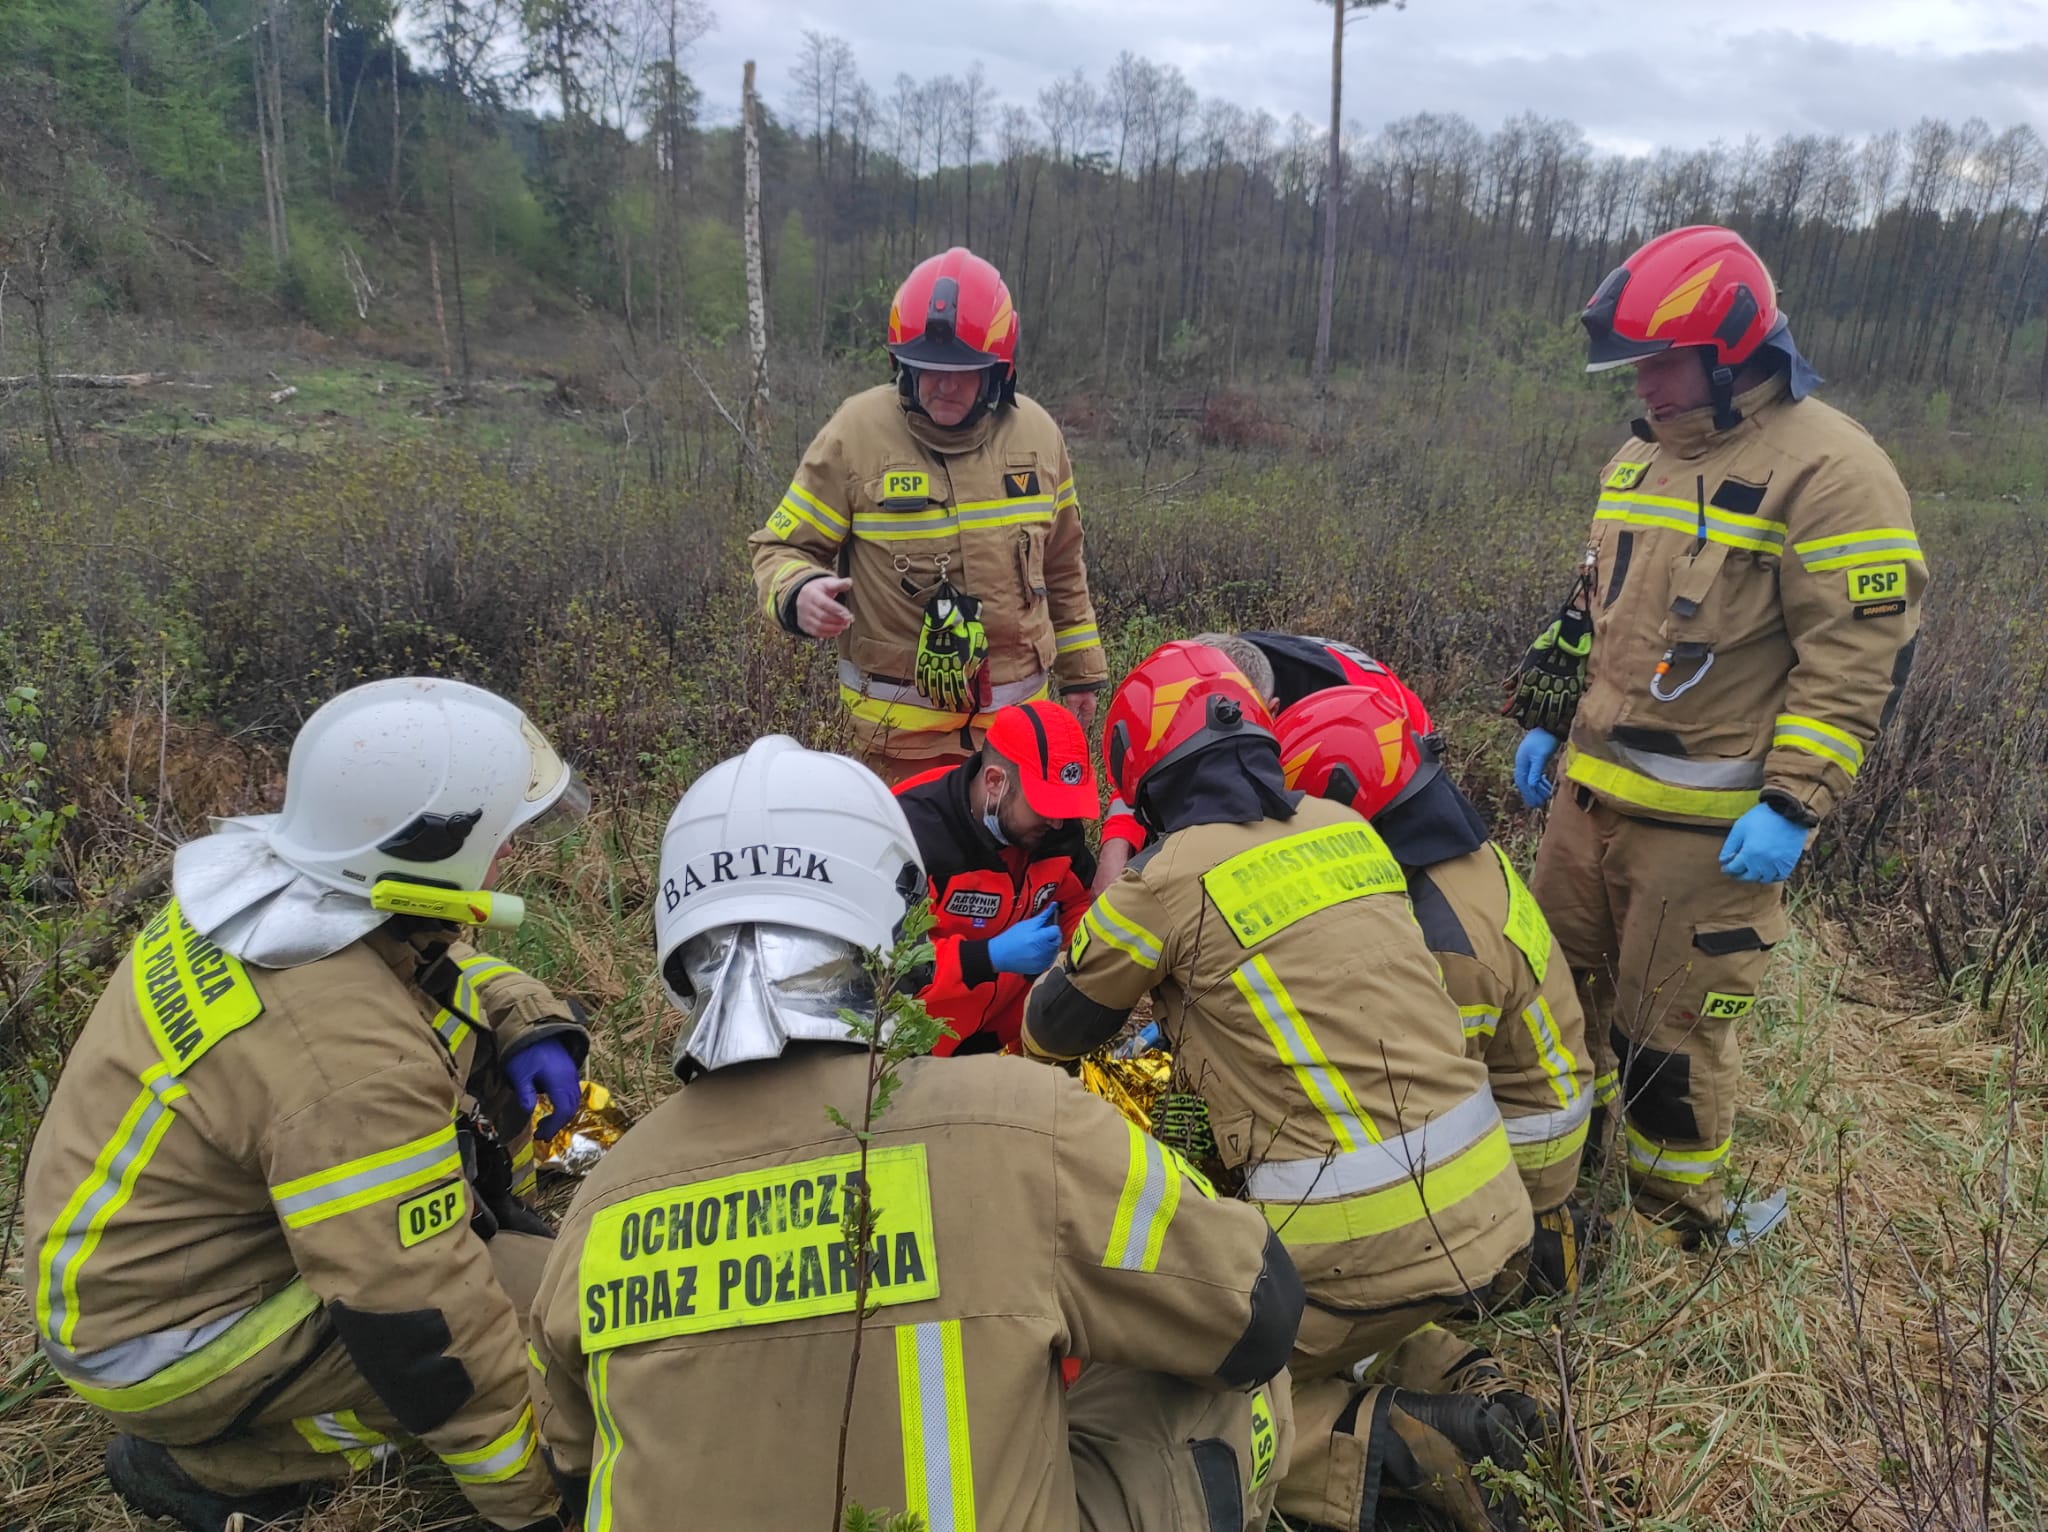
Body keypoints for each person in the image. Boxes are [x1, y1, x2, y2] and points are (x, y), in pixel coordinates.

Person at [528, 736, 1300, 1531]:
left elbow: (575, 1470)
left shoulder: (597, 1205)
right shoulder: (1019, 1120)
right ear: (897, 918)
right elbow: (1259, 1314)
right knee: (1225, 1381)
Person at [24, 677, 590, 1532]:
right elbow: (415, 1316)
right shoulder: (348, 1059)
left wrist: (523, 1020)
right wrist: (537, 1500)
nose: (510, 855)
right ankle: (229, 1462)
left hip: (145, 1269)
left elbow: (419, 969)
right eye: (503, 834)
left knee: (548, 1294)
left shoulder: (275, 893)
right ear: (432, 845)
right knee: (573, 1356)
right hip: (178, 1341)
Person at [1023, 641, 1543, 1532]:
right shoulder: (1350, 831)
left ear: (1145, 775)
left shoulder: (1165, 880)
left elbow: (1049, 1031)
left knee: (1166, 1384)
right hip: (1491, 1203)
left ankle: (1397, 1448)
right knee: (1358, 1303)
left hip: (1353, 1237)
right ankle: (1460, 1374)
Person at [1506, 225, 1928, 1244]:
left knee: (1669, 1038)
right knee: (1548, 1004)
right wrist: (1544, 710)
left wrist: (1791, 803)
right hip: (1586, 800)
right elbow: (1591, 600)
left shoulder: (1830, 470)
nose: (1643, 383)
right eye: (1636, 363)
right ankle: (1557, 1185)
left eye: (1660, 362)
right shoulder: (1637, 457)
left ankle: (1669, 1221)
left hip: (1705, 829)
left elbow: (1854, 659)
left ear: (1731, 352)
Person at [1275, 684, 1595, 1295]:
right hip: (1533, 1091)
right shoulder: (1447, 849)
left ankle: (1512, 1263)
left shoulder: (1445, 939)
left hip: (1526, 1152)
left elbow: (1416, 1091)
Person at [749, 247, 1109, 785]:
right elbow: (780, 547)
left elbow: (1062, 566)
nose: (944, 384)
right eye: (928, 370)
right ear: (902, 365)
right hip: (900, 749)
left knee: (1019, 869)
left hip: (1019, 740)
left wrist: (1081, 676)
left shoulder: (1038, 437)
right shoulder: (857, 433)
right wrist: (799, 591)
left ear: (999, 371)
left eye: (963, 372)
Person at [1093, 629, 1426, 894]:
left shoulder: (1322, 731)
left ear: (1274, 712)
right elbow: (1157, 752)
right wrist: (1116, 845)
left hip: (1394, 743)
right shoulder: (1202, 675)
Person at [894, 699, 1099, 1056]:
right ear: (994, 782)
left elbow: (1079, 901)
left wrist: (1084, 950)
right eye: (1046, 806)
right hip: (913, 1052)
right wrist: (985, 957)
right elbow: (888, 972)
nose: (1058, 822)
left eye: (1065, 808)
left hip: (1004, 1045)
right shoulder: (910, 836)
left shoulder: (1056, 833)